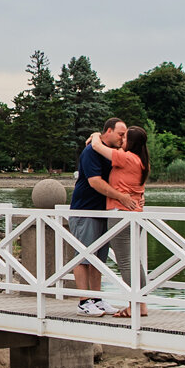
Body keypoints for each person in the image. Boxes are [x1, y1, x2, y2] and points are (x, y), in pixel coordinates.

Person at [91, 124, 151, 317]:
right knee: (134, 260)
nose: (122, 140)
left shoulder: (126, 158)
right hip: (136, 213)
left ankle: (134, 305)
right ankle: (141, 305)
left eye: (125, 138)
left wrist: (95, 135)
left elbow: (97, 147)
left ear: (131, 142)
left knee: (125, 261)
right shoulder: (142, 161)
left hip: (121, 213)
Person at [69, 116, 125, 315]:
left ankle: (97, 299)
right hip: (85, 210)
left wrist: (94, 135)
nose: (123, 137)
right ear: (108, 131)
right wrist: (122, 198)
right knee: (83, 256)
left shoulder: (111, 151)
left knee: (99, 258)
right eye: (120, 133)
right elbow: (95, 182)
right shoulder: (91, 151)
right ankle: (84, 302)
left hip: (102, 211)